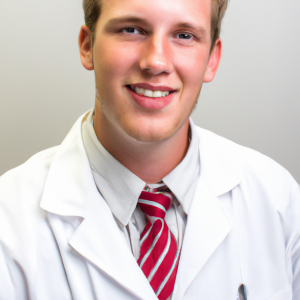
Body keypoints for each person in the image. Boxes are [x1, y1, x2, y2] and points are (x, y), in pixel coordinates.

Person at [0, 0, 299, 299]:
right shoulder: (9, 222)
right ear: (87, 46)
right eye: (131, 29)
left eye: (184, 35)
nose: (156, 62)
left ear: (211, 59)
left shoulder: (277, 199)